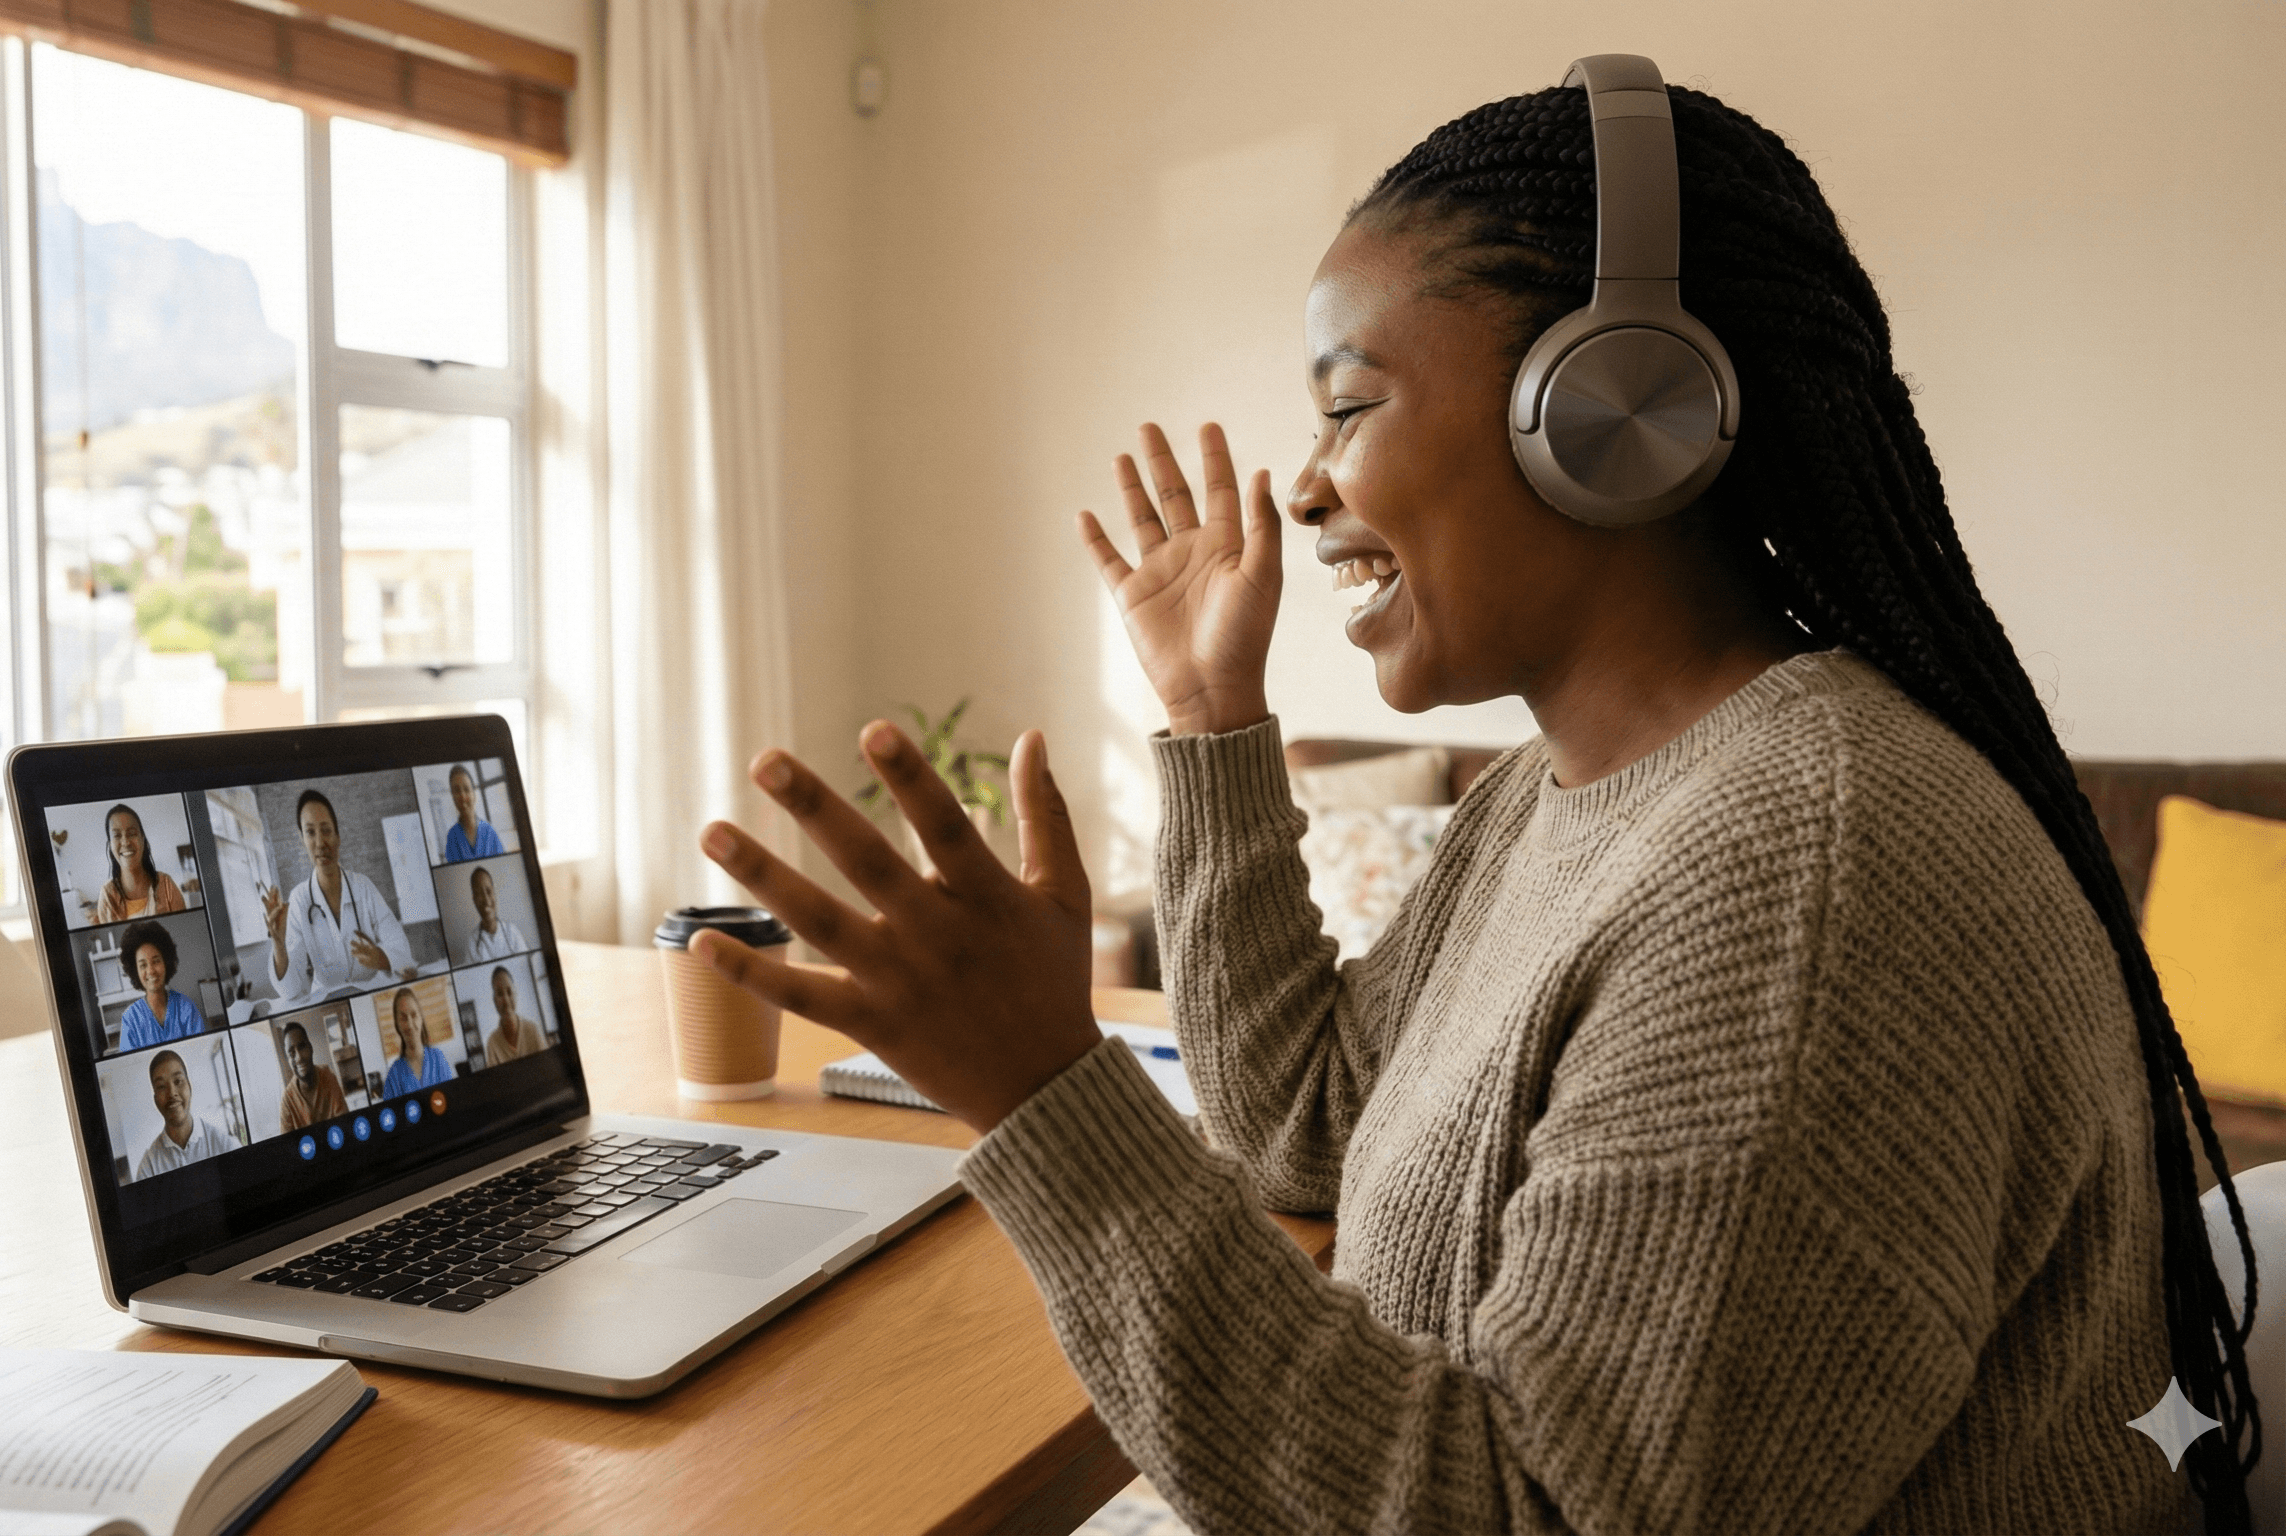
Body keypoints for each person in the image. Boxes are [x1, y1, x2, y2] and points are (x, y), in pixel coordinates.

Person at [682, 76, 2238, 1534]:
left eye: (1347, 408)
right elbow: (1305, 1128)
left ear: (1615, 411)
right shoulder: (1575, 796)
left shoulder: (1805, 872)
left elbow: (1535, 1512)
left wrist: (1041, 1089)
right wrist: (1215, 725)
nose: (1300, 490)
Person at [260, 789, 412, 1000]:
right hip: (326, 1001)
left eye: (326, 830)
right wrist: (279, 944)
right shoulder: (299, 900)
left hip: (370, 996)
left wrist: (381, 957)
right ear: (302, 839)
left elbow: (402, 949)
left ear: (338, 836)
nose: (321, 843)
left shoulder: (363, 887)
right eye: (310, 832)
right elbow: (290, 991)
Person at [132, 1050, 236, 1179]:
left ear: (190, 1087)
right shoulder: (148, 1168)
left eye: (178, 1081)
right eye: (161, 1087)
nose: (172, 1093)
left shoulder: (225, 1145)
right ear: (155, 1100)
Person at [113, 919, 202, 1049]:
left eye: (156, 961)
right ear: (135, 971)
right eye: (143, 965)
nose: (150, 971)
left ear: (166, 962)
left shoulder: (186, 1008)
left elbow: (200, 1052)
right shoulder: (131, 1020)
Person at [96, 803, 185, 921]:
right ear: (110, 845)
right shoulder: (107, 896)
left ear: (143, 839)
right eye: (117, 835)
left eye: (132, 833)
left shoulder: (166, 884)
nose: (125, 842)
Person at [380, 986, 453, 1097]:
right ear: (397, 1025)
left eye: (414, 1015)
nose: (409, 1024)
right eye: (403, 1018)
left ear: (421, 1019)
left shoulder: (438, 1059)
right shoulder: (393, 1076)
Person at [276, 1020, 349, 1132]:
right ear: (288, 1061)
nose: (299, 1057)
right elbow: (287, 1146)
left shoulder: (327, 1075)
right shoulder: (287, 1101)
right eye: (292, 1053)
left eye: (302, 1047)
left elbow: (344, 1123)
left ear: (310, 1047)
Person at [479, 966, 544, 1067]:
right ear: (494, 1001)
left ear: (516, 994)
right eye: (500, 994)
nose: (506, 1001)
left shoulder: (533, 1030)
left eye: (509, 992)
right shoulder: (492, 1043)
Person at [438, 765, 504, 861]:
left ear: (474, 793)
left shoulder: (490, 831)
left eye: (466, 789)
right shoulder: (452, 836)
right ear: (453, 797)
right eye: (457, 791)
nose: (463, 797)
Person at [463, 864, 528, 962]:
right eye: (479, 894)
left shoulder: (512, 932)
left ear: (494, 893)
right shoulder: (472, 943)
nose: (487, 901)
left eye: (489, 891)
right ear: (474, 900)